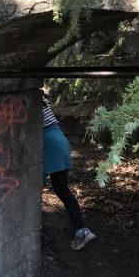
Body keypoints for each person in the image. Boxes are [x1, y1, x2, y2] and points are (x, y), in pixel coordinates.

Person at [42, 96, 96, 250]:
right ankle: (82, 230)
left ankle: (82, 231)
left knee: (60, 190)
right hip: (59, 143)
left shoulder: (32, 103)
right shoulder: (41, 101)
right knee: (62, 189)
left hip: (52, 147)